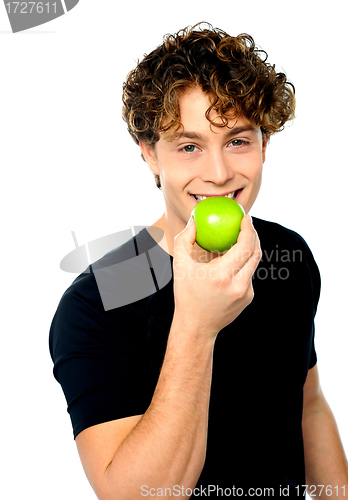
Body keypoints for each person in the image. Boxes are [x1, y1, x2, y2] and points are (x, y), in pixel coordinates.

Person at [49, 23, 348, 499]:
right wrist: (196, 325)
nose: (219, 173)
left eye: (237, 141)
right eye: (189, 146)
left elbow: (308, 404)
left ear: (264, 145)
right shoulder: (96, 301)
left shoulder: (289, 257)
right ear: (150, 154)